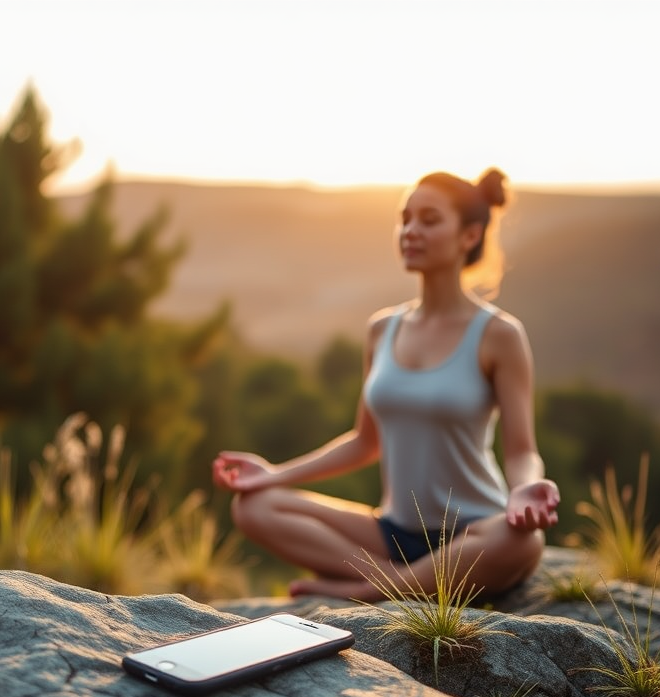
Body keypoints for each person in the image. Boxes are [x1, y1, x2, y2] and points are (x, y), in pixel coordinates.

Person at [211, 168, 560, 601]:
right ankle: (403, 584)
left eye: (429, 220)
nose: (410, 231)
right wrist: (275, 474)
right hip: (391, 533)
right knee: (253, 506)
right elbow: (364, 442)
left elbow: (522, 450)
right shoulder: (382, 329)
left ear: (469, 236)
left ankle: (369, 590)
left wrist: (526, 487)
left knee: (525, 542)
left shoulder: (500, 335)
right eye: (405, 218)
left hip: (474, 531)